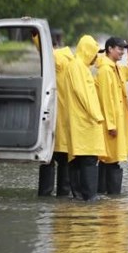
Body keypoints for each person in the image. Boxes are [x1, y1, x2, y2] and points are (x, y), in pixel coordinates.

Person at [95, 37, 128, 195]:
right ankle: (110, 196)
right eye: (120, 49)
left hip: (117, 122)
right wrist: (111, 125)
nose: (122, 52)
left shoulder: (117, 68)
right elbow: (106, 100)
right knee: (110, 159)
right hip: (110, 125)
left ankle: (106, 196)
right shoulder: (105, 71)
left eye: (124, 49)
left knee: (110, 159)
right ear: (109, 49)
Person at [66, 35, 107, 201]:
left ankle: (80, 198)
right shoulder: (77, 67)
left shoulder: (80, 66)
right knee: (89, 158)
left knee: (79, 158)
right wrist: (97, 116)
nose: (96, 57)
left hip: (83, 121)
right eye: (95, 53)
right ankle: (89, 197)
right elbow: (83, 94)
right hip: (85, 122)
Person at [38, 45, 74, 197]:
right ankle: (63, 196)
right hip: (67, 123)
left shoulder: (57, 62)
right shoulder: (74, 64)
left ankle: (45, 194)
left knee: (47, 160)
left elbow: (44, 52)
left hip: (51, 121)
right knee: (65, 162)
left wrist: (37, 38)